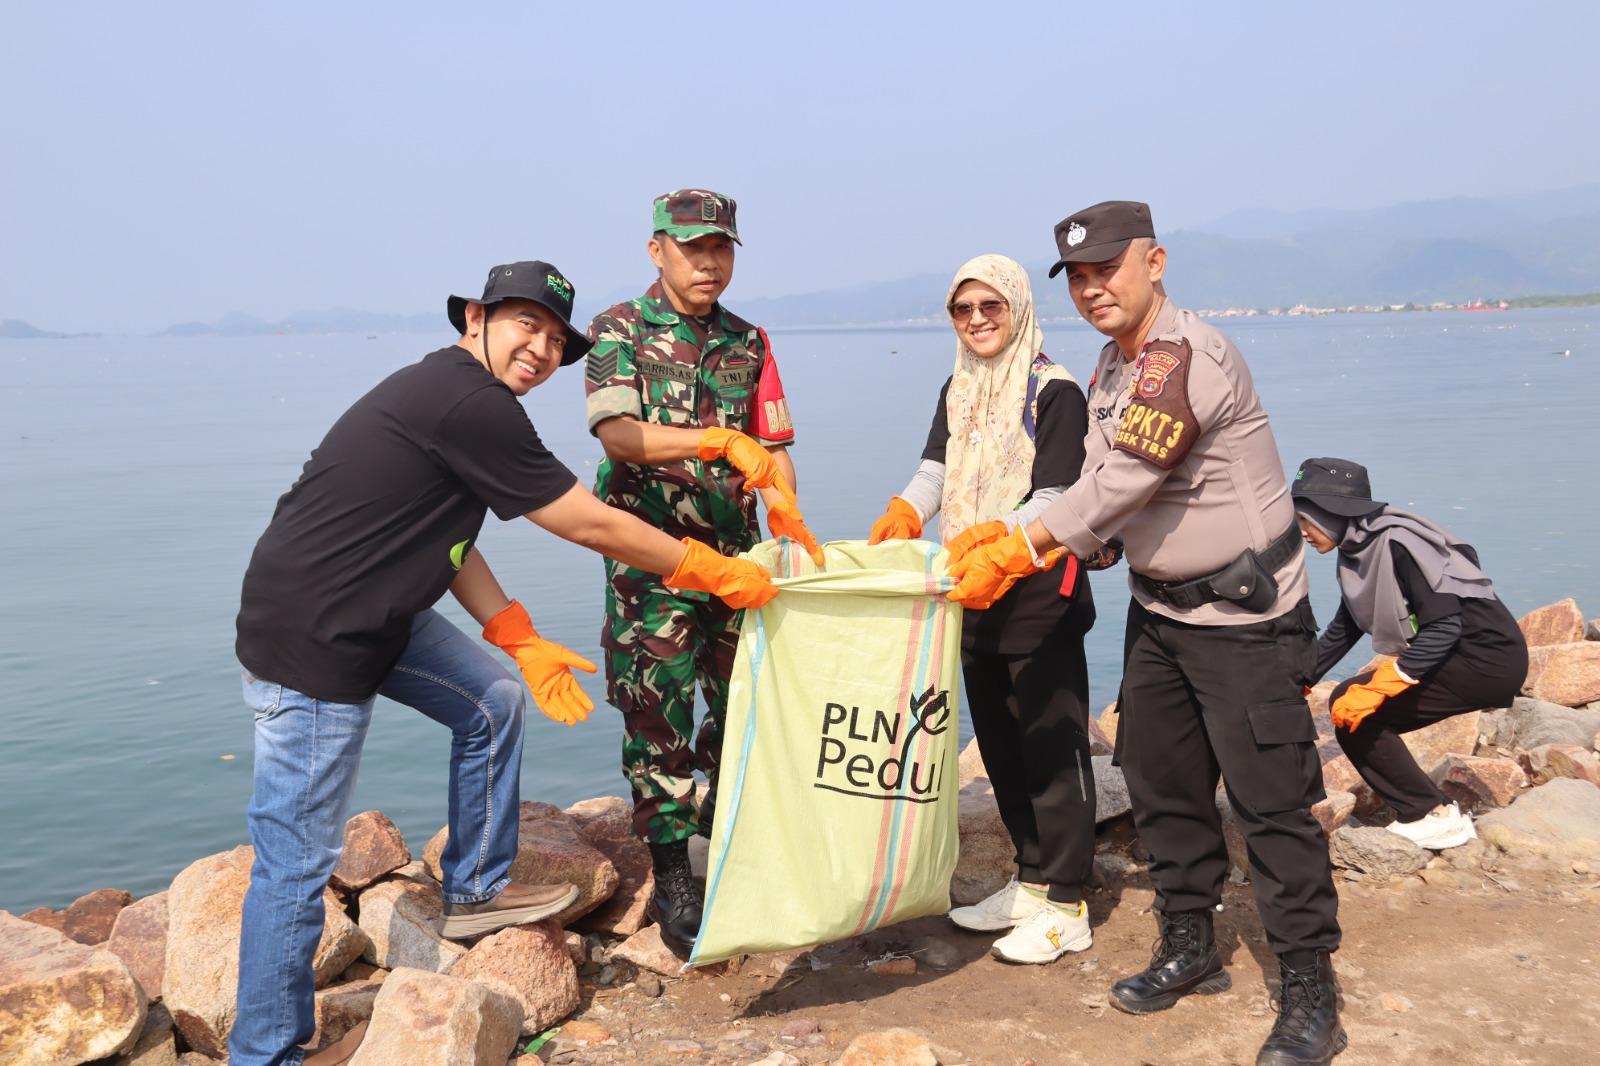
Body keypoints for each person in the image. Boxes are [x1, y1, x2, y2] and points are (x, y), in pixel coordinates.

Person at [230, 261, 778, 1066]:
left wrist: (512, 632)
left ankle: (474, 893)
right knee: (296, 861)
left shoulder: (462, 398)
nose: (543, 348)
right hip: (313, 638)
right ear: (475, 320)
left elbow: (439, 533)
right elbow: (589, 524)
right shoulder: (467, 401)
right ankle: (266, 1054)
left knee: (491, 697)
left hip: (382, 616)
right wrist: (707, 567)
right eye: (527, 325)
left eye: (557, 338)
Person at [946, 203, 1345, 1065]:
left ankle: (1311, 988)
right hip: (1162, 611)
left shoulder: (1185, 356)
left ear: (1155, 263)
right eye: (1079, 278)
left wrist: (1019, 546)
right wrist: (1041, 533)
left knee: (1271, 803)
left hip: (1245, 619)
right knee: (1162, 785)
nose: (1094, 289)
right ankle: (1190, 945)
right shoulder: (1110, 368)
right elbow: (1093, 485)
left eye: (1108, 270)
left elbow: (1125, 478)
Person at [584, 189, 822, 958]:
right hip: (651, 565)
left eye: (720, 249)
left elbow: (773, 444)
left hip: (733, 562)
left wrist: (785, 511)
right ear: (658, 251)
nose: (708, 263)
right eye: (693, 249)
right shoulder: (618, 329)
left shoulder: (748, 341)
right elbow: (620, 436)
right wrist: (717, 441)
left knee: (745, 701)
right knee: (657, 716)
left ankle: (723, 829)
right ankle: (671, 872)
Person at [865, 254, 1097, 964]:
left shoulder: (1054, 392)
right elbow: (938, 466)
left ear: (1019, 308)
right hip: (968, 590)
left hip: (1035, 590)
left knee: (1052, 748)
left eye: (990, 307)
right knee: (1000, 746)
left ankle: (1069, 903)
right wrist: (908, 508)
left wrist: (1004, 537)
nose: (976, 322)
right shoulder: (958, 387)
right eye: (963, 311)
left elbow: (1062, 493)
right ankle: (1029, 881)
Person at [1292, 457, 1528, 849]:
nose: (1302, 532)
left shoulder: (1401, 544)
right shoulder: (1360, 548)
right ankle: (1431, 810)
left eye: (1305, 520)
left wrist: (1386, 683)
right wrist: (1300, 677)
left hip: (1487, 660)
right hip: (1460, 654)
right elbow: (1346, 626)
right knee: (1349, 704)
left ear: (1333, 513)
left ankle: (1431, 815)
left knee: (1358, 712)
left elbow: (1444, 625)